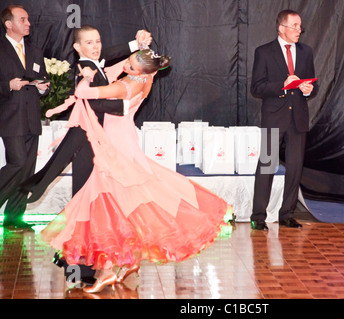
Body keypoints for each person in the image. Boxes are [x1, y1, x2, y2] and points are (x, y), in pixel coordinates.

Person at [40, 50, 232, 294]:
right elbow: (132, 71)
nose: (125, 68)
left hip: (115, 149)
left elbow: (82, 93)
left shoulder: (124, 87)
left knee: (106, 206)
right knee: (125, 203)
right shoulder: (147, 79)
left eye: (130, 66)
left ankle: (108, 271)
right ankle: (130, 263)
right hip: (126, 142)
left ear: (141, 70)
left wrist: (86, 76)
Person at [19, 25, 151, 285]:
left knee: (96, 206)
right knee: (86, 204)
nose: (96, 46)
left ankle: (96, 262)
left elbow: (110, 54)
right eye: (89, 43)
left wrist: (135, 45)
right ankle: (86, 265)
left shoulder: (96, 65)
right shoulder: (83, 72)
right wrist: (125, 102)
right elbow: (94, 104)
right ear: (77, 48)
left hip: (97, 145)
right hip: (87, 146)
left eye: (98, 41)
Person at [250, 9, 318, 231]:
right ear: (282, 28)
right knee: (267, 165)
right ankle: (258, 216)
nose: (299, 30)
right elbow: (257, 87)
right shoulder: (264, 52)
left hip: (298, 118)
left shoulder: (306, 52)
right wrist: (283, 84)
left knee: (295, 167)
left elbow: (313, 85)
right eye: (294, 26)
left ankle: (287, 213)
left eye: (300, 26)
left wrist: (308, 89)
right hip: (273, 118)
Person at [0, 5, 50, 231]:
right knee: (17, 163)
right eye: (23, 19)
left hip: (31, 118)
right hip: (10, 117)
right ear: (8, 24)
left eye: (28, 19)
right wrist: (7, 85)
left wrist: (43, 87)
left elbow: (44, 81)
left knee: (28, 169)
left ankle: (14, 218)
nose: (28, 23)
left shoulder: (35, 50)